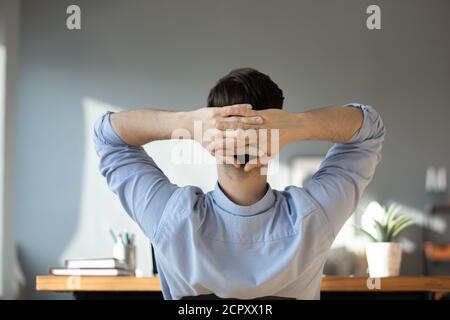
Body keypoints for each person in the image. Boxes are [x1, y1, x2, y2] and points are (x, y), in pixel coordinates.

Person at [93, 68, 385, 299]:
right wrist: (297, 125)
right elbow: (369, 131)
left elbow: (108, 137)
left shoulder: (171, 216)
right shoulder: (314, 216)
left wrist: (188, 123)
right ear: (277, 136)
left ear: (210, 136)